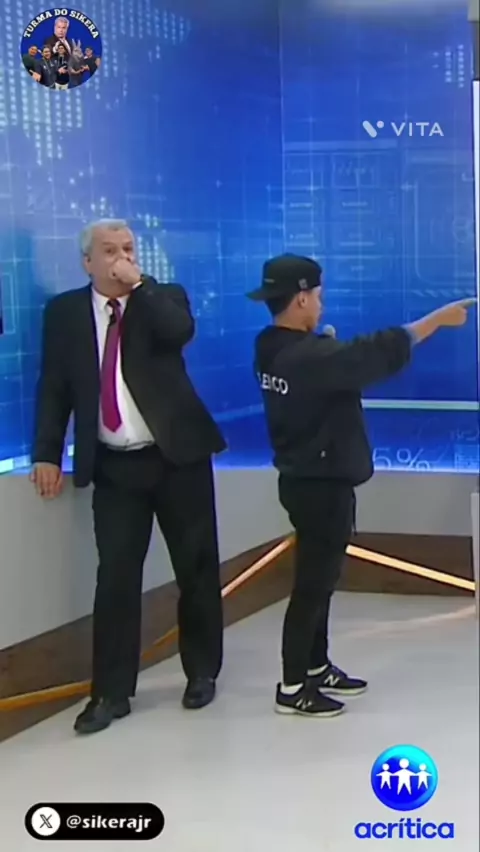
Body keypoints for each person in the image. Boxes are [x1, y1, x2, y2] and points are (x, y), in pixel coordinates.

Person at [248, 253, 476, 719]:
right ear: (301, 299)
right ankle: (293, 685)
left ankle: (316, 666)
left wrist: (327, 349)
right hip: (319, 485)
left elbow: (329, 368)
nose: (321, 305)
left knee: (322, 580)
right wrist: (435, 322)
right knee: (312, 585)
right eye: (318, 297)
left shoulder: (272, 348)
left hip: (306, 479)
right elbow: (369, 355)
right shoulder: (310, 357)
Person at [31, 219, 227, 735]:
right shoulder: (65, 313)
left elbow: (179, 332)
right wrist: (47, 452)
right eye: (110, 251)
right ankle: (110, 693)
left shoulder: (161, 298)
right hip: (115, 466)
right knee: (116, 577)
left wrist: (140, 285)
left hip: (177, 458)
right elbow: (54, 386)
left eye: (128, 248)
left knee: (196, 566)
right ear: (87, 262)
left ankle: (201, 672)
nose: (121, 258)